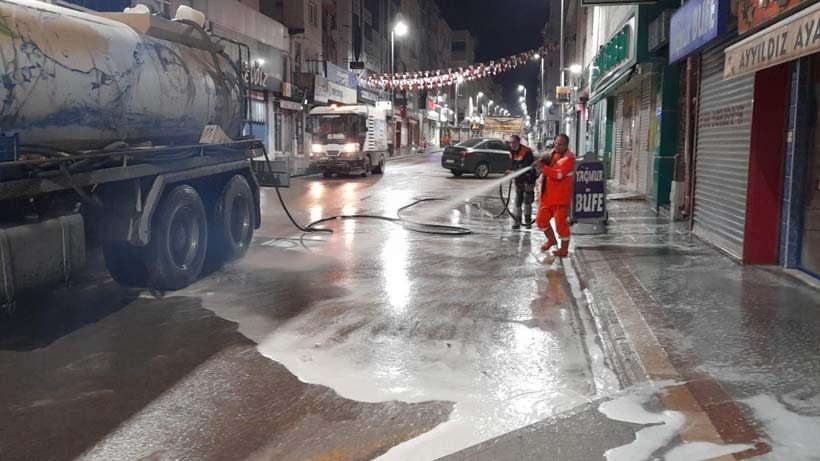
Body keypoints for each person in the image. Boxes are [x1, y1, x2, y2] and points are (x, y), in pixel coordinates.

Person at [535, 133, 575, 257]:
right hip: (547, 197)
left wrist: (543, 169)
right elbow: (545, 160)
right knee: (541, 221)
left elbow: (558, 175)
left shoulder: (569, 159)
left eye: (560, 144)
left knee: (560, 225)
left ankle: (564, 250)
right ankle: (551, 240)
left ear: (566, 145)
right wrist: (540, 162)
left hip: (560, 199)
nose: (557, 146)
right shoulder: (552, 153)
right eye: (556, 143)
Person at [506, 135, 537, 229]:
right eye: (510, 142)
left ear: (518, 142)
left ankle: (527, 222)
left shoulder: (527, 151)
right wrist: (510, 171)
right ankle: (517, 222)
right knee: (518, 201)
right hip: (519, 180)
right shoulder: (512, 151)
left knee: (527, 201)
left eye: (514, 142)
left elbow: (527, 167)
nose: (512, 144)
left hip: (528, 179)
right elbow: (513, 165)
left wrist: (514, 172)